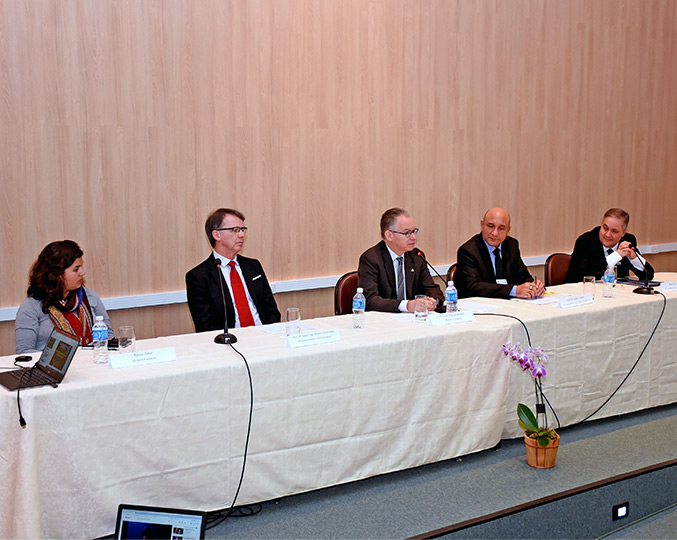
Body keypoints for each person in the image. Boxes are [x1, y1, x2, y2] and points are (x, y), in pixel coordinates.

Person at [185, 208, 280, 333]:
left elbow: (272, 310)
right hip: (229, 342)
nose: (241, 235)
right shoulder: (198, 276)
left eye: (242, 230)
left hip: (264, 336)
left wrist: (269, 333)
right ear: (216, 235)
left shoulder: (253, 266)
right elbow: (205, 326)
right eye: (234, 230)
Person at [15, 240, 113, 353]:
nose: (82, 272)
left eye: (81, 267)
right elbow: (24, 351)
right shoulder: (31, 305)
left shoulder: (89, 296)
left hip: (93, 364)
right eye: (76, 269)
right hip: (51, 368)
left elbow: (109, 336)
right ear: (57, 274)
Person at [357, 208, 443, 313]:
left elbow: (432, 289)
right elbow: (370, 300)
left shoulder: (416, 256)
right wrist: (406, 305)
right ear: (389, 235)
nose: (413, 237)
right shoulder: (371, 259)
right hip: (384, 321)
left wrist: (433, 301)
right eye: (407, 233)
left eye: (414, 231)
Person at [456, 207, 545, 299]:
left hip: (510, 304)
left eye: (501, 228)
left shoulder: (512, 245)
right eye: (490, 226)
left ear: (508, 230)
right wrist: (514, 290)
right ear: (482, 225)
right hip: (482, 304)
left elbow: (523, 276)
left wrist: (534, 286)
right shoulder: (468, 250)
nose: (495, 233)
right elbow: (474, 287)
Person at [565, 208, 654, 283]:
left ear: (623, 233)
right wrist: (617, 256)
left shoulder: (628, 240)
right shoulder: (585, 241)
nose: (607, 234)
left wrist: (634, 258)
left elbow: (648, 275)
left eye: (614, 231)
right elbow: (584, 277)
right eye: (605, 228)